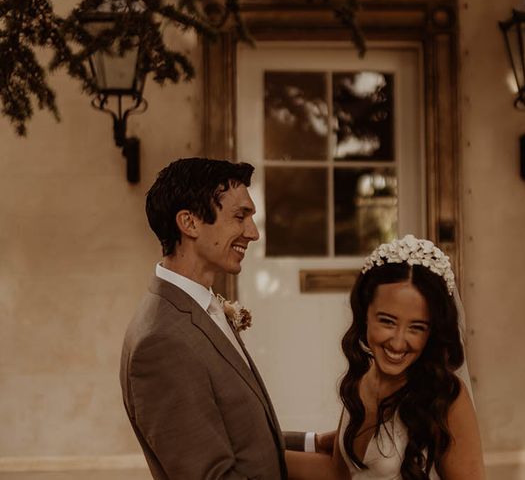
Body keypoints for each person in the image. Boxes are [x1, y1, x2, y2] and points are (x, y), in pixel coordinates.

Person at [120, 157, 310, 479]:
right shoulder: (162, 342)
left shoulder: (199, 308)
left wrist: (316, 442)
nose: (253, 233)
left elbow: (243, 435)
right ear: (190, 223)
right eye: (240, 217)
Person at [286, 235, 485, 480]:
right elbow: (339, 473)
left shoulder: (447, 396)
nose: (398, 342)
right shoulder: (362, 381)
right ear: (365, 312)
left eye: (417, 327)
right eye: (387, 321)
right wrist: (253, 456)